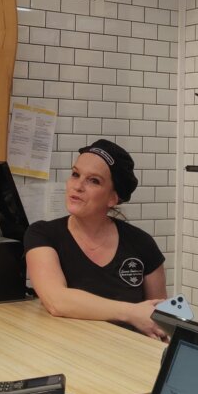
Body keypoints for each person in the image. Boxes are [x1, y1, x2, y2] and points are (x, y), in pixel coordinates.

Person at [24, 139, 168, 340]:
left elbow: (160, 320)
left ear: (113, 198)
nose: (78, 186)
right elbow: (56, 300)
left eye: (94, 181)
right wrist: (131, 312)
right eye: (75, 174)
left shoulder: (142, 244)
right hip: (67, 354)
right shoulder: (43, 234)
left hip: (130, 357)